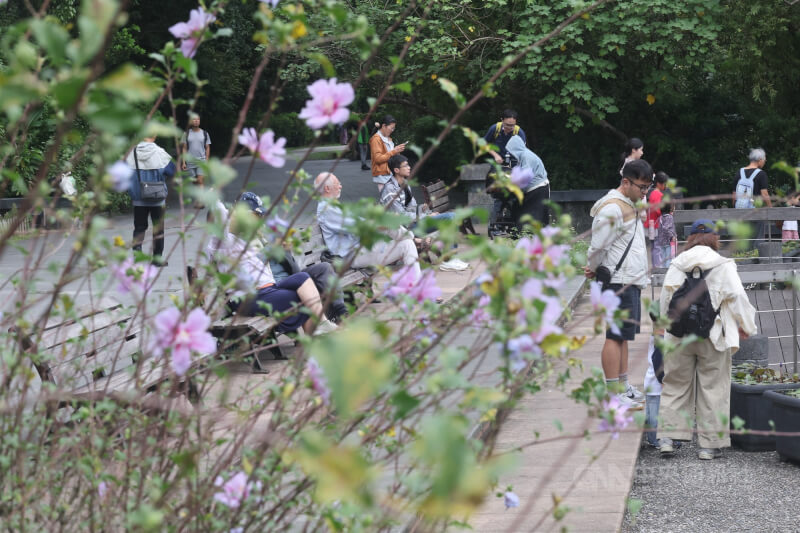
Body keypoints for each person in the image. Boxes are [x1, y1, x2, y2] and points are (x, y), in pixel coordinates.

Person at [657, 219, 757, 460]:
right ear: (715, 238)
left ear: (690, 239)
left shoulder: (677, 264)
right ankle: (708, 445)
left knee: (675, 384)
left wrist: (664, 330)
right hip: (714, 335)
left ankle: (668, 439)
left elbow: (664, 300)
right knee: (713, 387)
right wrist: (746, 327)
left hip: (678, 336)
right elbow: (738, 298)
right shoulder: (723, 265)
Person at [207, 196, 337, 336]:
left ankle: (322, 325)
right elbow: (220, 214)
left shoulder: (243, 238)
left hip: (267, 290)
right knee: (302, 299)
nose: (260, 220)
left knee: (302, 278)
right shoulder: (223, 240)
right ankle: (316, 339)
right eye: (257, 215)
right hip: (249, 298)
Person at [584, 159, 653, 410]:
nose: (645, 192)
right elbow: (598, 246)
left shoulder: (630, 203)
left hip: (629, 278)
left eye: (648, 187)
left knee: (623, 336)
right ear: (626, 182)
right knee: (614, 336)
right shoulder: (612, 208)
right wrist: (593, 267)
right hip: (616, 280)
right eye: (642, 187)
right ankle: (612, 393)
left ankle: (622, 387)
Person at [315, 172, 421, 276]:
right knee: (405, 242)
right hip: (352, 256)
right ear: (327, 188)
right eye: (337, 184)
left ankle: (412, 241)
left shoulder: (333, 207)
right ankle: (414, 239)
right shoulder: (328, 209)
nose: (340, 186)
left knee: (406, 242)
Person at [382, 155, 470, 272]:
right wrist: (426, 216)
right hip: (402, 229)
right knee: (450, 217)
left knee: (450, 218)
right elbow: (401, 216)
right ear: (396, 170)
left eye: (408, 165)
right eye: (406, 166)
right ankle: (449, 260)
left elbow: (411, 207)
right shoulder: (389, 189)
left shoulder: (405, 184)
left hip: (412, 224)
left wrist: (424, 209)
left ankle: (450, 258)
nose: (409, 167)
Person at [125, 136, 176, 266]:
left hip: (138, 198)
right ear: (154, 136)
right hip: (157, 199)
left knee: (139, 227)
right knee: (158, 229)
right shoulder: (160, 152)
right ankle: (157, 259)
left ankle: (137, 255)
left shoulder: (131, 153)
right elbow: (172, 171)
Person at [505, 135, 549, 228]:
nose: (511, 153)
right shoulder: (523, 156)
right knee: (526, 213)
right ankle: (520, 234)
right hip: (536, 188)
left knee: (532, 216)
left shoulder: (526, 156)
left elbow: (525, 176)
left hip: (537, 188)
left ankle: (527, 236)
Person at [734, 148, 771, 245]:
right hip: (755, 211)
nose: (764, 162)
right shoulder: (761, 174)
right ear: (760, 160)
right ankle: (756, 256)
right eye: (764, 160)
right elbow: (764, 194)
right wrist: (770, 208)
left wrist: (735, 208)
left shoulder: (739, 172)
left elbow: (734, 195)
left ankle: (743, 257)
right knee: (757, 239)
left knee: (743, 239)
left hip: (740, 212)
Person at [179, 112, 211, 206]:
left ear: (199, 121)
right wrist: (184, 162)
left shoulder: (204, 133)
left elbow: (207, 147)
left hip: (201, 160)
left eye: (197, 119)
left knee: (200, 181)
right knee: (194, 182)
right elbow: (184, 148)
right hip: (190, 161)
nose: (196, 121)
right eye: (194, 119)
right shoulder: (186, 134)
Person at [369, 115, 407, 192]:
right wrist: (394, 151)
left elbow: (390, 155)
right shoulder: (376, 139)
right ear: (384, 126)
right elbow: (378, 159)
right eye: (391, 128)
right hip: (383, 175)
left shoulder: (387, 138)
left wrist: (397, 151)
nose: (392, 130)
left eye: (394, 128)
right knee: (388, 200)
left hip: (390, 174)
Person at [653, 201, 677, 268]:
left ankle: (663, 270)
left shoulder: (660, 217)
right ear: (669, 208)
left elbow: (658, 227)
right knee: (668, 258)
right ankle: (667, 271)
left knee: (663, 258)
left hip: (661, 241)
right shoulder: (669, 217)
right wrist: (672, 236)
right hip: (668, 241)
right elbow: (666, 228)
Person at [646, 171, 669, 242]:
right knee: (657, 247)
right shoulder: (657, 194)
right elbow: (657, 209)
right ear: (658, 184)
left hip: (653, 224)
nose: (666, 186)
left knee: (655, 247)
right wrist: (665, 215)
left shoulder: (653, 193)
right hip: (656, 225)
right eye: (665, 184)